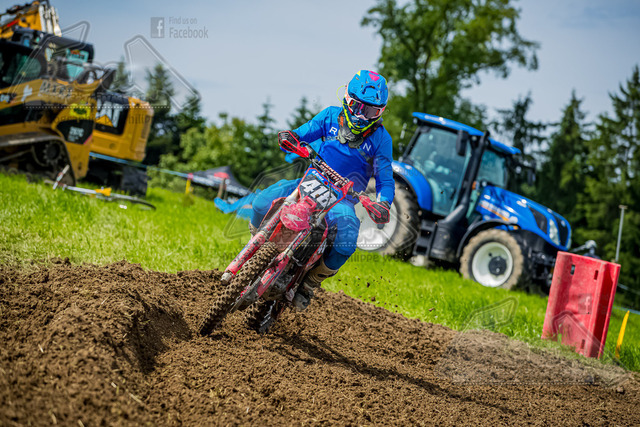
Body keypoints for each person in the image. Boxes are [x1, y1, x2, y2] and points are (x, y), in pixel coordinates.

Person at [251, 70, 395, 310]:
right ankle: (256, 247)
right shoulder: (330, 116)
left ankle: (309, 284)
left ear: (380, 112)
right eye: (358, 107)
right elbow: (301, 133)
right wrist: (290, 137)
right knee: (260, 203)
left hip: (343, 200)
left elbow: (385, 180)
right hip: (308, 182)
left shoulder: (381, 139)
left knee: (347, 243)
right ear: (347, 100)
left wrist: (383, 203)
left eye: (371, 111)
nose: (362, 115)